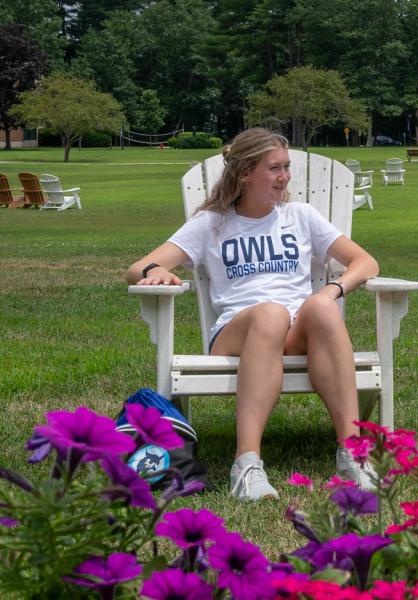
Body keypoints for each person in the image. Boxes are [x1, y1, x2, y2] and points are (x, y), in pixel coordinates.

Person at [126, 128, 380, 501]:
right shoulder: (211, 223)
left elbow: (365, 262)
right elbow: (138, 267)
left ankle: (353, 457)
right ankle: (246, 466)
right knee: (271, 314)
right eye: (274, 168)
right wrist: (155, 272)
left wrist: (331, 290)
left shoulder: (301, 216)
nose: (285, 177)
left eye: (287, 167)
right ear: (245, 173)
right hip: (236, 333)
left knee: (322, 307)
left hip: (293, 332)